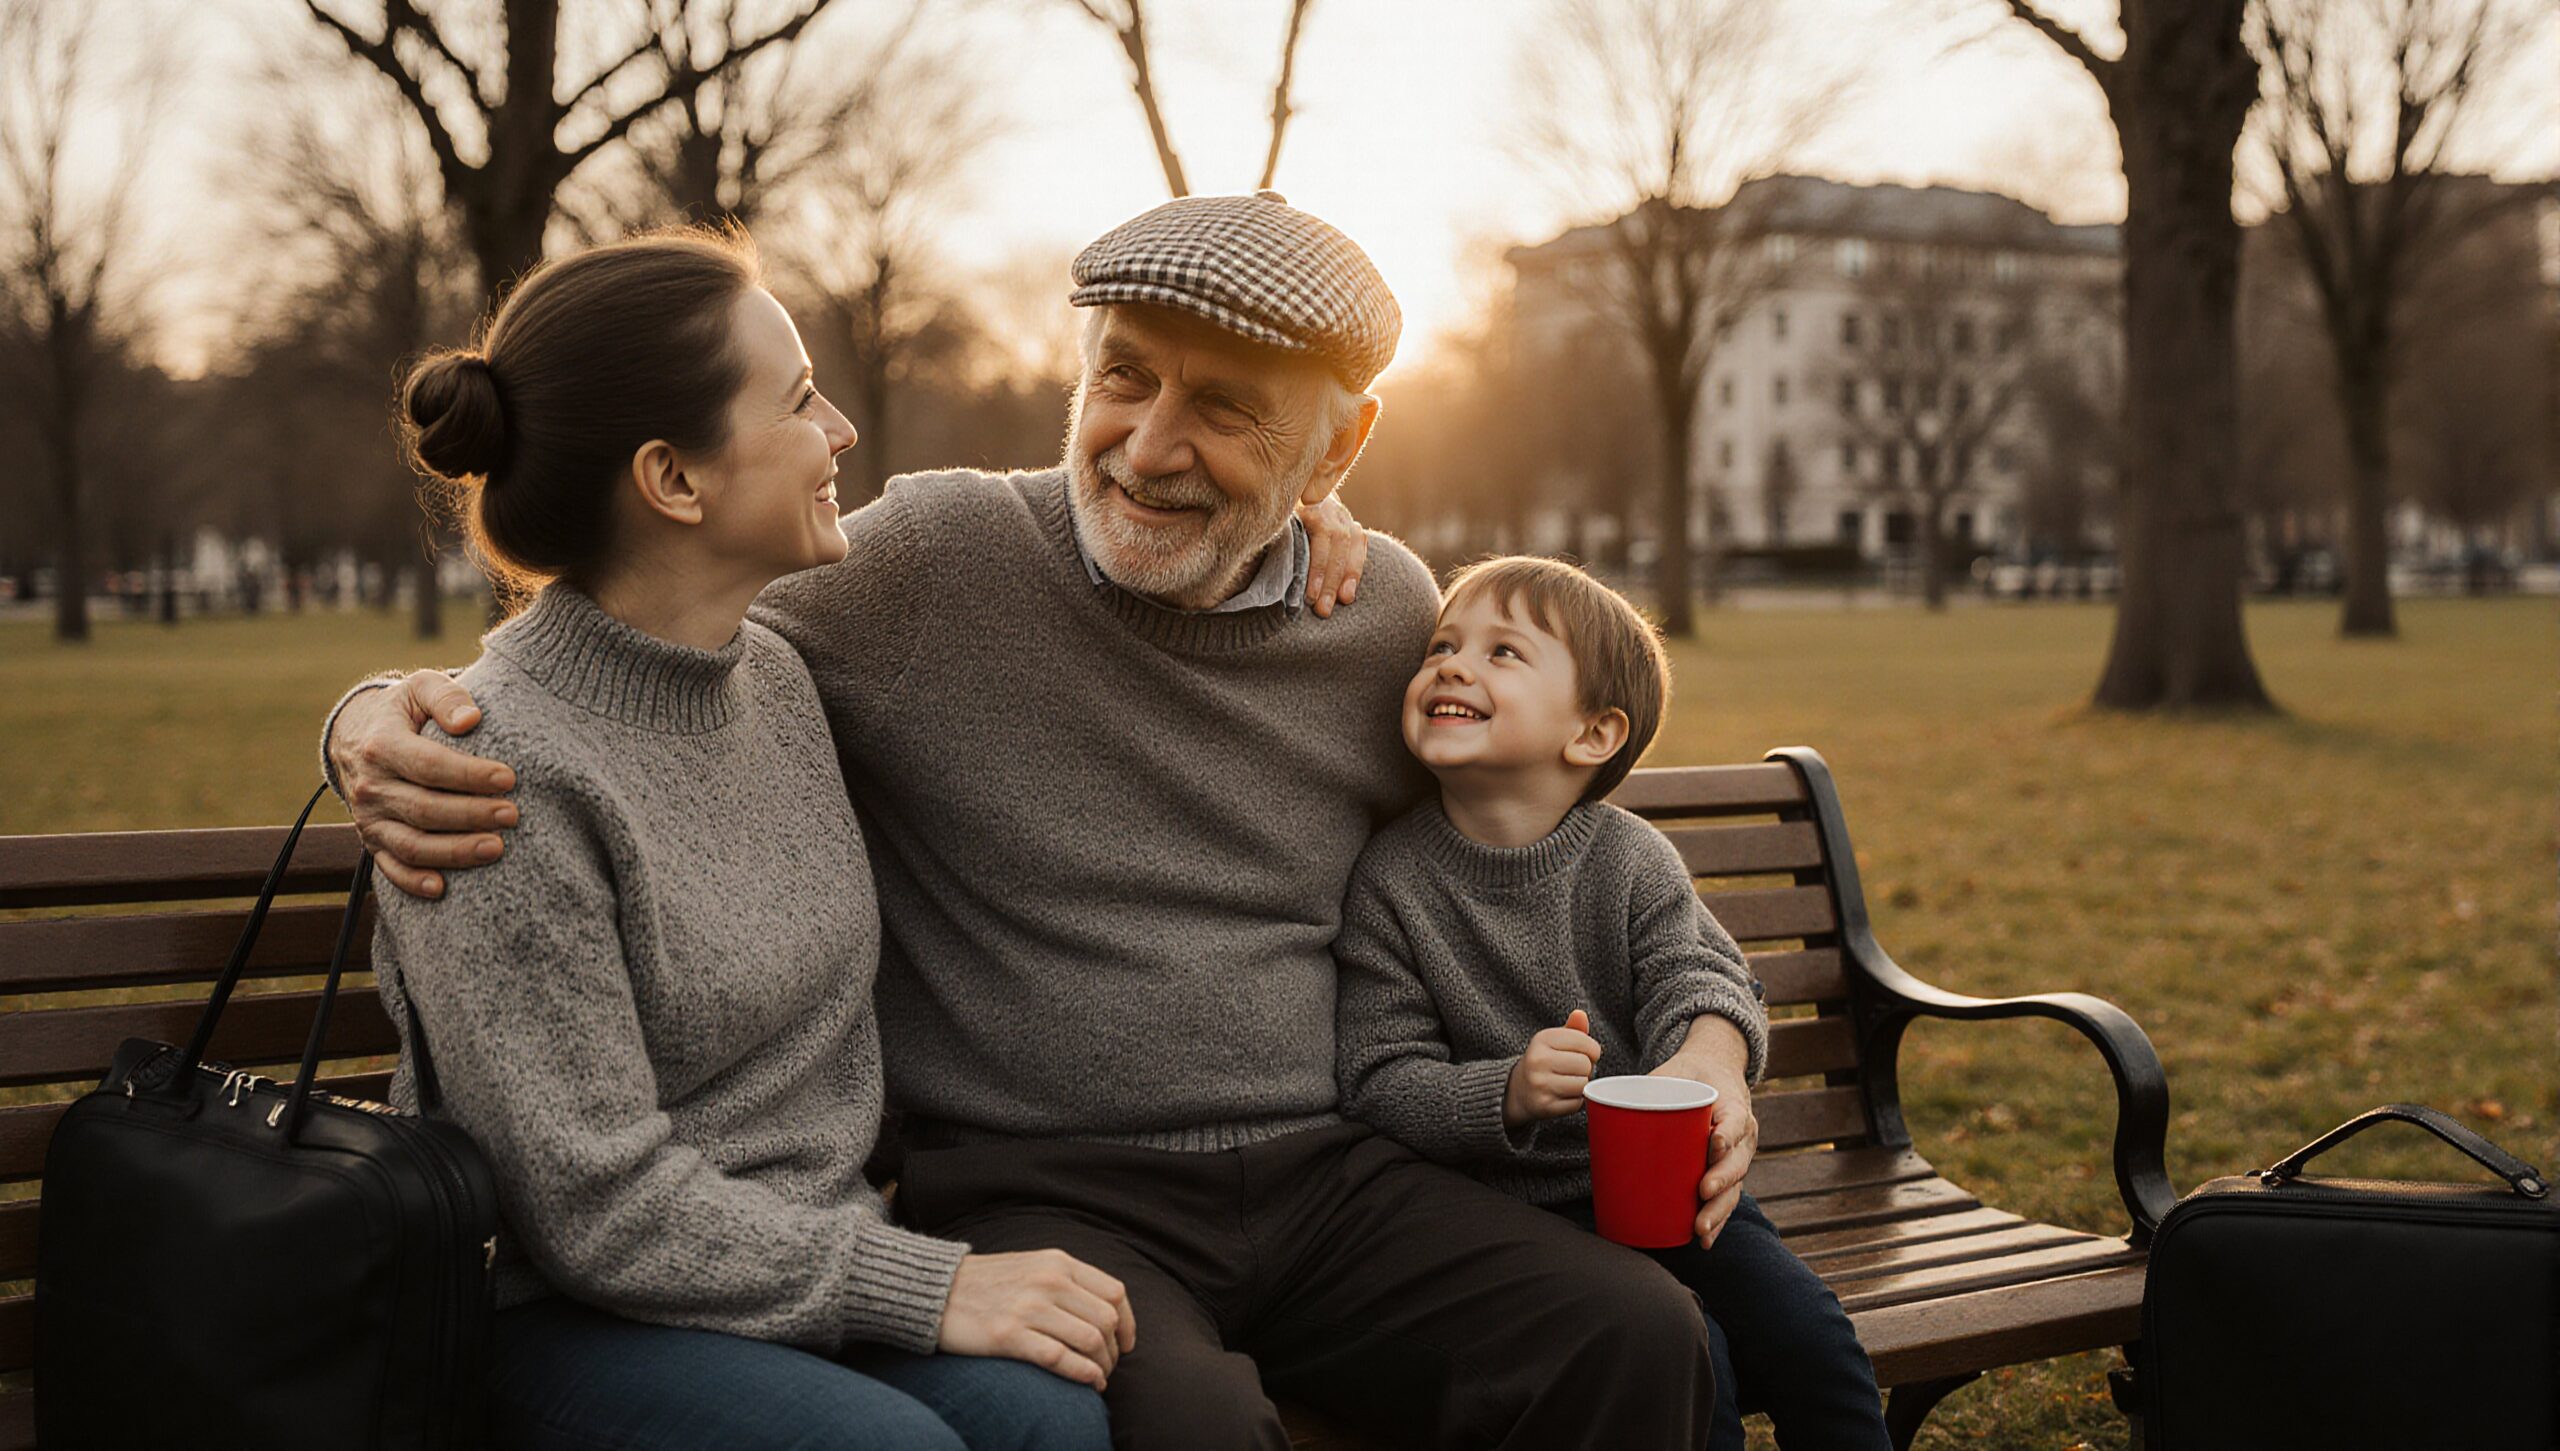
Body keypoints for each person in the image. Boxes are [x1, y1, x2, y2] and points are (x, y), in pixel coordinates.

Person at [324, 192, 1721, 1450]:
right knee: (1176, 1416)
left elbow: (1565, 846)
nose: (1147, 445)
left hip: (1330, 1166)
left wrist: (1712, 1045)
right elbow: (638, 617)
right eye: (1122, 376)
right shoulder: (932, 563)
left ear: (1339, 443)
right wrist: (375, 714)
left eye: (1229, 410)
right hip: (1042, 1184)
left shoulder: (1389, 621)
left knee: (1640, 1332)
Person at [366, 227, 1116, 1451]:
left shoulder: (772, 670)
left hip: (801, 1260)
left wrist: (1312, 511)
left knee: (1047, 1414)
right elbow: (588, 1206)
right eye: (799, 399)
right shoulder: (495, 772)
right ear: (673, 479)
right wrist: (927, 1285)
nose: (842, 434)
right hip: (573, 1310)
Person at [1333, 554, 1895, 1450]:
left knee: (1812, 1343)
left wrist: (1702, 1063)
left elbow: (1698, 973)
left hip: (1669, 1195)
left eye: (1503, 653)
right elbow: (1378, 1077)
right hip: (1520, 1225)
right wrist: (1504, 1090)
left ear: (1592, 734)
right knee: (1688, 1359)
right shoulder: (1390, 883)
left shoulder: (1627, 859)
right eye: (1443, 644)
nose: (1450, 664)